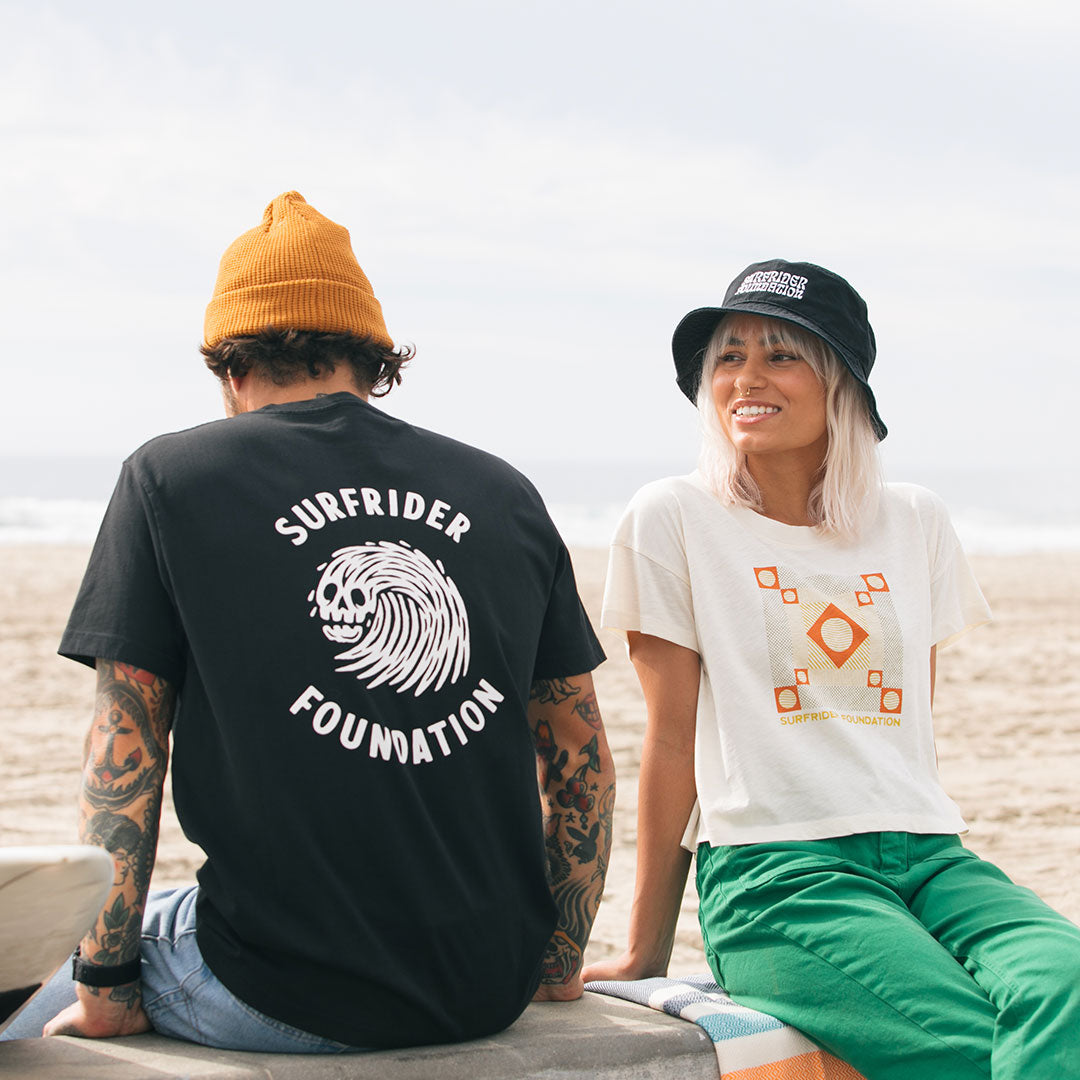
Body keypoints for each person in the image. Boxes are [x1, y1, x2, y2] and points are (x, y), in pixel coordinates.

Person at [5, 192, 614, 1052]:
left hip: (281, 991)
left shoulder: (169, 479)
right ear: (373, 359)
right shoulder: (503, 493)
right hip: (488, 984)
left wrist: (104, 986)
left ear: (229, 366)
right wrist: (554, 963)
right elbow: (582, 763)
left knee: (25, 978)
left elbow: (125, 750)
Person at [583, 259, 1080, 1078]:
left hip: (930, 856)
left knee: (1066, 982)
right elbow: (670, 744)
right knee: (969, 1049)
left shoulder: (914, 520)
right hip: (775, 873)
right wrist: (645, 948)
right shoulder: (673, 517)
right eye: (729, 356)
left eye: (781, 355)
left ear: (841, 382)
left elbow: (908, 729)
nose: (746, 377)